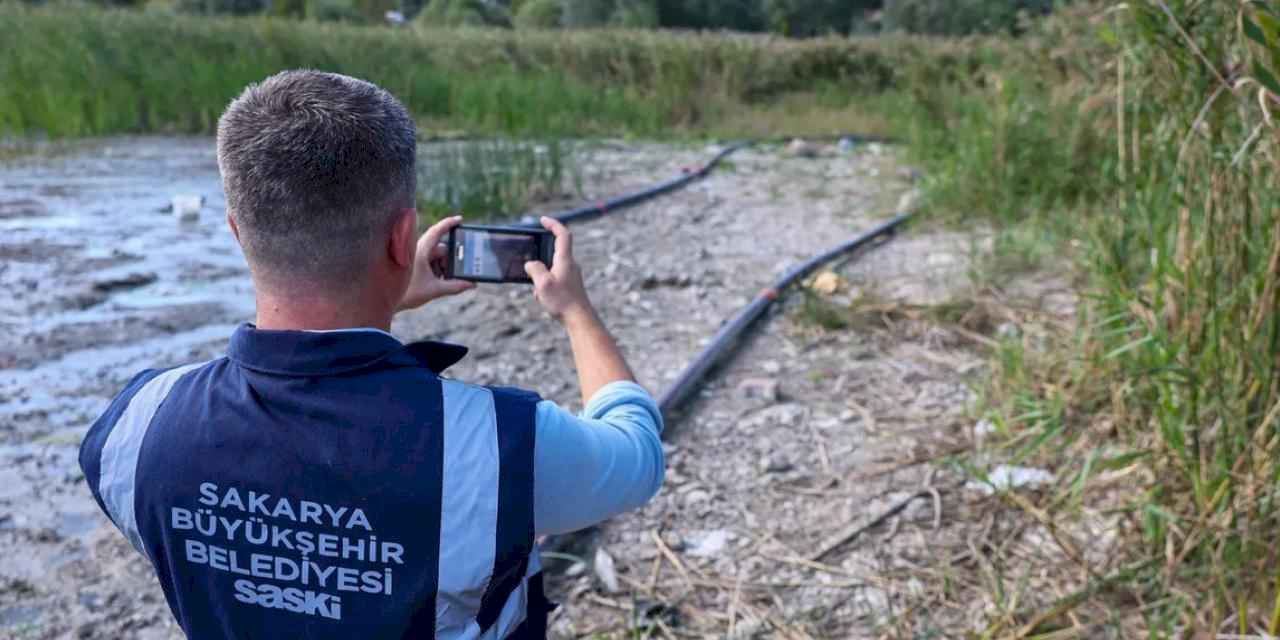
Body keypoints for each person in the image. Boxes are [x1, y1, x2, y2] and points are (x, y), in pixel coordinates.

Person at [77, 70, 665, 639]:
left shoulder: (134, 428)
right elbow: (635, 453)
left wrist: (382, 294)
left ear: (236, 230)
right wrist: (575, 310)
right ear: (402, 237)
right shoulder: (499, 447)